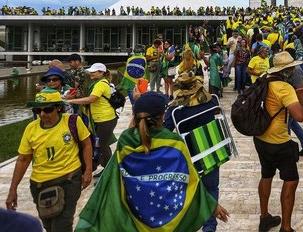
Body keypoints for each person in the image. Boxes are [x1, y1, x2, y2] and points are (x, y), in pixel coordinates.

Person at [76, 91, 229, 232]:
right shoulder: (174, 142)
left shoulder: (126, 139)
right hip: (168, 215)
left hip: (135, 214)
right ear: (163, 116)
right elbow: (191, 180)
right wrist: (211, 205)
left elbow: (111, 177)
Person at [6, 90, 93, 232]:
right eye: (37, 110)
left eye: (47, 109)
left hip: (69, 180)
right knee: (49, 225)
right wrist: (12, 189)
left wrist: (88, 170)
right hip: (40, 185)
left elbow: (87, 144)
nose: (42, 114)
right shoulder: (31, 129)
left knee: (62, 225)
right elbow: (23, 160)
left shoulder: (72, 121)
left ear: (58, 107)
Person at [253, 52, 303, 232]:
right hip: (279, 141)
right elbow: (300, 116)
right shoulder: (284, 87)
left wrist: (298, 94)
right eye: (290, 68)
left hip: (261, 137)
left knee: (266, 175)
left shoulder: (265, 80)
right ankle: (286, 228)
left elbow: (276, 101)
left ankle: (264, 217)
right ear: (286, 70)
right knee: (291, 180)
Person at [164, 75, 223, 232]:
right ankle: (209, 226)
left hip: (188, 154)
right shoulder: (211, 100)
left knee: (186, 190)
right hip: (210, 148)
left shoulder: (175, 109)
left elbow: (165, 130)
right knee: (211, 188)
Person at [0, 141, 42, 231]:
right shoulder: (23, 226)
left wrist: (13, 190)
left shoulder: (22, 227)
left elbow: (23, 159)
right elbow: (23, 159)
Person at [66, 63, 117, 175]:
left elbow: (91, 99)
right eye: (91, 71)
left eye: (94, 71)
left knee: (103, 145)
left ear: (101, 72)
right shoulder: (97, 83)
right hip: (100, 118)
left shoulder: (101, 84)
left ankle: (110, 171)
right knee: (101, 145)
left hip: (105, 118)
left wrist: (71, 101)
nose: (91, 73)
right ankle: (106, 168)